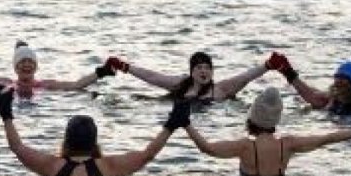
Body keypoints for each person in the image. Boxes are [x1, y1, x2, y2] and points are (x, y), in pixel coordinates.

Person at [0, 85, 188, 176]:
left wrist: (6, 115)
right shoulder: (108, 166)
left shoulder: (53, 165)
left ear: (66, 140)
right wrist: (171, 124)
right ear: (94, 141)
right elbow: (148, 154)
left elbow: (17, 147)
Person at [182, 87, 351, 176]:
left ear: (251, 119)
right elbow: (325, 139)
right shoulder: (288, 145)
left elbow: (206, 148)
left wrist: (185, 123)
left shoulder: (244, 147)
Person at [0, 41, 114, 98]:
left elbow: (76, 85)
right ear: (15, 67)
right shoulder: (4, 83)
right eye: (22, 62)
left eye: (30, 61)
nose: (26, 65)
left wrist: (101, 72)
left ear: (36, 66)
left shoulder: (46, 85)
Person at [104, 51, 268, 102]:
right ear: (191, 71)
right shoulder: (180, 83)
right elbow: (153, 77)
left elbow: (246, 77)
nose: (203, 71)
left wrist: (268, 65)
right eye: (199, 68)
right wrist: (124, 67)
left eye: (207, 68)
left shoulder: (221, 89)